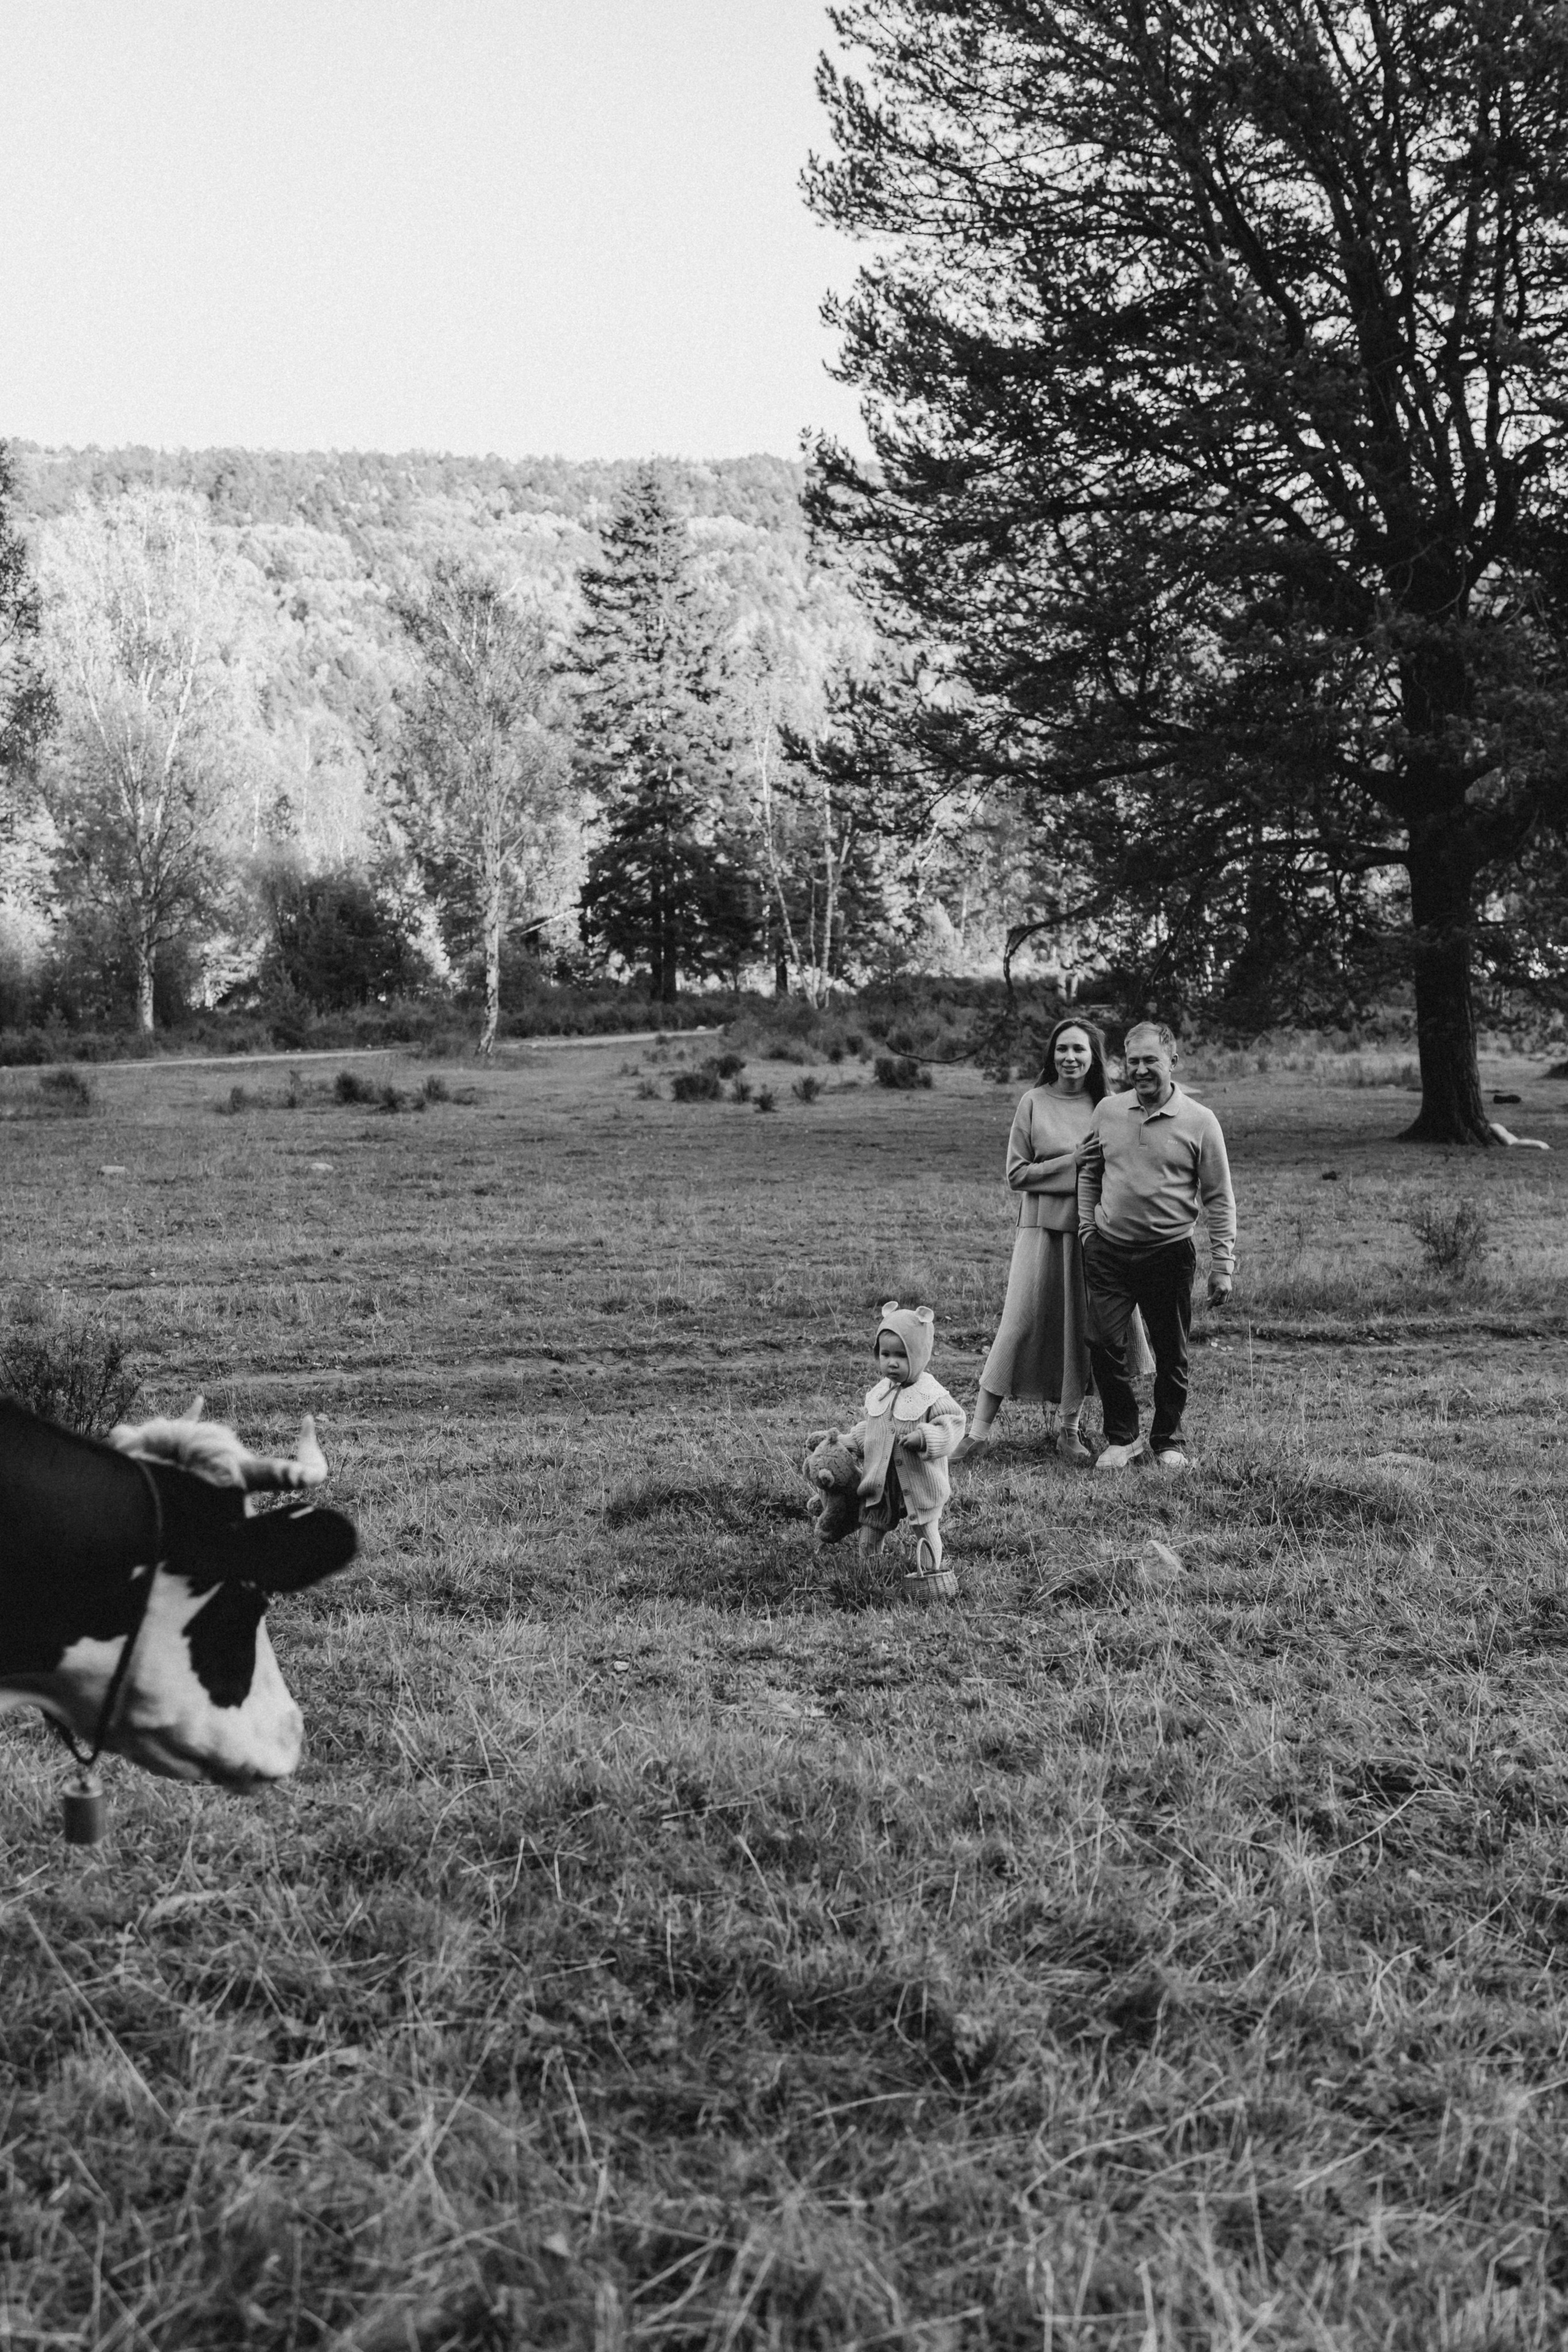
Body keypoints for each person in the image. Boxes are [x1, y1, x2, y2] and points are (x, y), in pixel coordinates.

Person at [1076, 1021, 1235, 1474]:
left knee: (1171, 1353)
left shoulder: (1200, 1121)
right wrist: (1089, 1231)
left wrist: (1223, 1264)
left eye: (1151, 1060)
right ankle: (1122, 1437)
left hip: (1169, 1254)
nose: (1141, 1069)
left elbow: (1219, 1195)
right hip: (1109, 1251)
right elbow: (1089, 1171)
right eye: (1134, 1061)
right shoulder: (1107, 1111)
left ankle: (1168, 1440)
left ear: (1173, 1063)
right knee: (1103, 1341)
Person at [958, 1017, 1112, 1465]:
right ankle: (978, 1433)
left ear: (1093, 1057)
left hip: (1088, 1232)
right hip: (1040, 1232)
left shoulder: (1108, 1105)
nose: (1070, 1058)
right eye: (1063, 1049)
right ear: (1052, 1055)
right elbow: (1016, 1174)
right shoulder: (1033, 1102)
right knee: (1019, 1324)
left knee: (1077, 1331)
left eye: (1080, 1050)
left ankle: (1069, 1432)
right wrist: (1071, 1161)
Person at [843, 1302, 965, 1602]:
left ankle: (931, 1574)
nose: (892, 1363)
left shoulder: (932, 1395)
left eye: (901, 1355)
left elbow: (953, 1424)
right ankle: (869, 1573)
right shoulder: (879, 1393)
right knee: (872, 1527)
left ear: (920, 1355)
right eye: (885, 1355)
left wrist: (926, 1438)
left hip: (919, 1483)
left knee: (925, 1529)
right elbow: (872, 1431)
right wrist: (847, 1443)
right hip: (882, 1484)